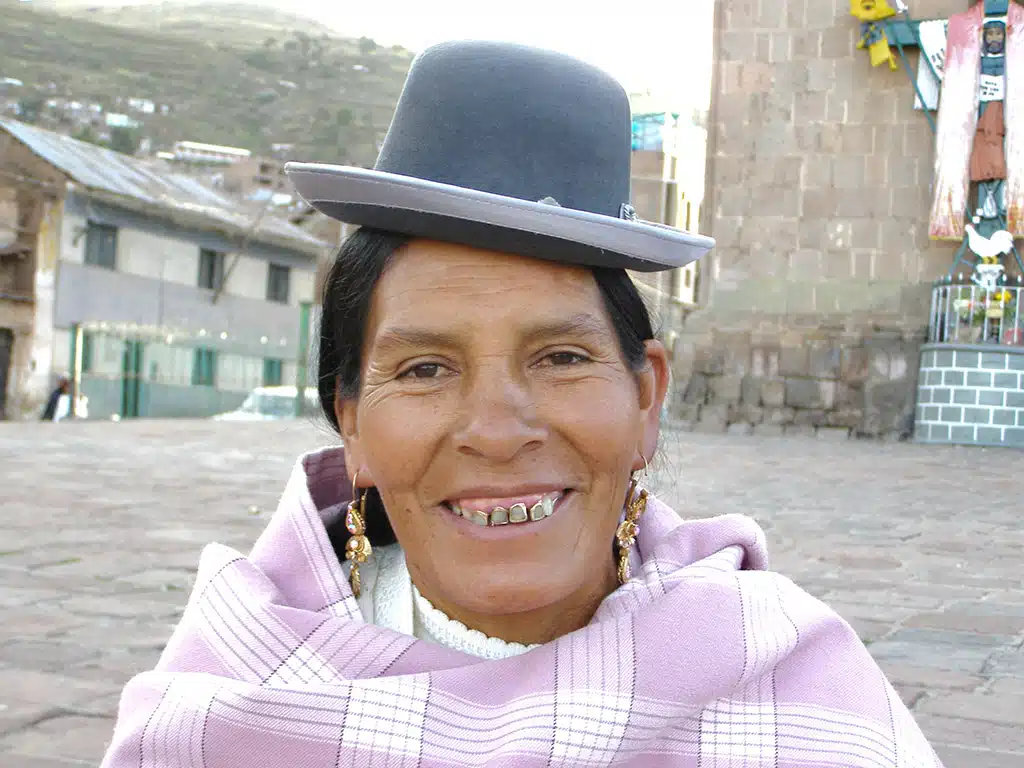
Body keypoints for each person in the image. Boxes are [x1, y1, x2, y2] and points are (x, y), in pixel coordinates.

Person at [101, 42, 942, 767]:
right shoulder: (231, 694)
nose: (498, 432)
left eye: (562, 358)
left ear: (646, 397)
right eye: (425, 369)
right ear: (350, 422)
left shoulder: (795, 689)